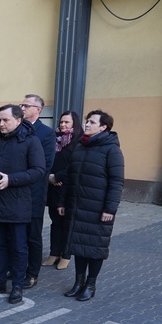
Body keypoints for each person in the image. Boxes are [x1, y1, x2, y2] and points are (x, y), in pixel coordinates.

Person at [0, 104, 45, 304]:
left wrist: (10, 180)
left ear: (18, 120)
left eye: (5, 120)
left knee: (18, 247)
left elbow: (39, 170)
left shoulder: (31, 141)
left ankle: (17, 286)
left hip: (18, 204)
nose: (1, 123)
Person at [58, 110, 124, 301]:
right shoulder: (80, 146)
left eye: (92, 122)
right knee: (79, 245)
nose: (86, 124)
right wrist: (62, 201)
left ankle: (90, 285)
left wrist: (110, 209)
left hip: (98, 209)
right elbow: (70, 176)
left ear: (103, 127)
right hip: (77, 206)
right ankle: (78, 282)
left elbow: (116, 181)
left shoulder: (112, 150)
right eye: (87, 121)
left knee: (95, 248)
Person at [20, 94, 56, 289]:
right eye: (22, 105)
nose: (23, 108)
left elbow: (46, 165)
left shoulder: (46, 133)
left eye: (27, 106)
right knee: (16, 234)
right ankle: (16, 267)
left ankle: (32, 273)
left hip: (34, 192)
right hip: (15, 193)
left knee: (32, 235)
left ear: (38, 110)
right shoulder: (17, 129)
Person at [43, 110, 81, 270]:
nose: (63, 125)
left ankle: (65, 255)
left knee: (67, 224)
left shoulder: (79, 143)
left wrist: (57, 176)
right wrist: (49, 177)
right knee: (55, 223)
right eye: (61, 122)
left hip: (68, 190)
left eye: (67, 122)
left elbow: (75, 167)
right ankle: (54, 253)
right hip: (53, 188)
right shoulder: (55, 140)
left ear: (75, 124)